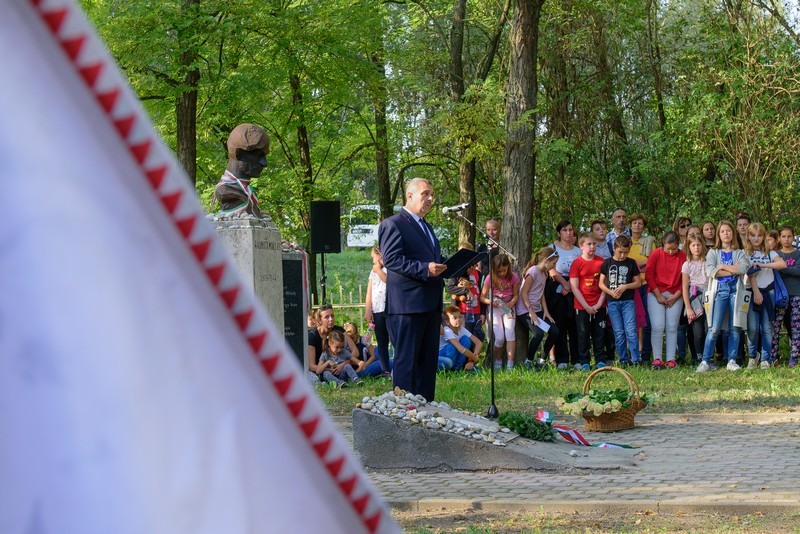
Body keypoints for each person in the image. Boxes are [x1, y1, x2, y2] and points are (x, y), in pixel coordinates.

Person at [378, 178, 446, 401]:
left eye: (432, 194)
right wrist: (425, 269)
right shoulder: (393, 224)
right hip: (408, 306)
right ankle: (404, 410)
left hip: (430, 304)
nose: (430, 198)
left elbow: (432, 260)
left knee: (428, 363)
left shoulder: (426, 226)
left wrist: (455, 267)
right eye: (425, 193)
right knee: (407, 362)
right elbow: (392, 260)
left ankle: (425, 408)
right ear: (410, 195)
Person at [697, 221, 750, 372]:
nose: (726, 234)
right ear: (719, 235)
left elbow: (743, 268)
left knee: (735, 326)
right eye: (722, 231)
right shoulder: (713, 253)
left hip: (735, 291)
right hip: (719, 290)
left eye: (728, 231)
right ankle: (705, 361)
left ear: (733, 233)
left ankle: (731, 360)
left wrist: (722, 267)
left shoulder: (739, 252)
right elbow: (711, 271)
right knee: (714, 327)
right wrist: (733, 270)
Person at [744, 222, 786, 369]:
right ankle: (752, 356)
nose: (756, 238)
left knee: (767, 327)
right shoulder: (745, 253)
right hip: (751, 292)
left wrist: (763, 265)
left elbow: (782, 264)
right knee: (753, 327)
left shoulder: (770, 253)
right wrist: (756, 292)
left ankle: (765, 359)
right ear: (748, 236)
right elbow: (750, 274)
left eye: (759, 235)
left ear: (763, 237)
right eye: (753, 235)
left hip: (769, 292)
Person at [599, 235, 642, 366]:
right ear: (614, 248)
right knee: (618, 332)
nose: (623, 255)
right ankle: (623, 359)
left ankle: (635, 359)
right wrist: (611, 292)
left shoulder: (631, 263)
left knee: (631, 331)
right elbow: (601, 283)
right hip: (612, 302)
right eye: (620, 252)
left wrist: (625, 286)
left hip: (628, 302)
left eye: (626, 252)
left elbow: (638, 282)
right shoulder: (607, 263)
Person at [646, 231, 687, 369]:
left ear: (678, 245)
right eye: (668, 248)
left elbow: (686, 279)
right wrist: (658, 295)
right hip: (656, 293)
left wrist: (676, 296)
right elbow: (649, 274)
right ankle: (657, 359)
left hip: (676, 294)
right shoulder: (656, 254)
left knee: (672, 327)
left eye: (674, 249)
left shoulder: (682, 256)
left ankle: (671, 359)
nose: (670, 252)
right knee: (657, 326)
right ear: (663, 244)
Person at [211, 123, 269, 218]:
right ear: (239, 153)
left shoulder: (247, 192)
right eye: (258, 155)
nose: (264, 163)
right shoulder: (226, 192)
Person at [517, 247, 561, 368]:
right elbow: (524, 293)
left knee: (554, 331)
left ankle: (542, 360)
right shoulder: (533, 271)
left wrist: (546, 311)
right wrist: (531, 311)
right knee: (538, 334)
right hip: (525, 311)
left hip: (537, 310)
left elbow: (541, 293)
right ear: (546, 260)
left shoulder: (545, 274)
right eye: (553, 263)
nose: (554, 266)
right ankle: (529, 360)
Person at [570, 233, 607, 370]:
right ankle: (584, 361)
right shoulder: (577, 263)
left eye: (594, 244)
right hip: (581, 306)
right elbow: (574, 287)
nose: (592, 247)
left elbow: (605, 285)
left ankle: (600, 360)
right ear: (581, 246)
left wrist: (599, 303)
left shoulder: (601, 262)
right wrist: (586, 306)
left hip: (599, 305)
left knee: (599, 334)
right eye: (589, 244)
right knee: (583, 334)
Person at [549, 220, 581, 367]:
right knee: (560, 323)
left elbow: (582, 270)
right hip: (558, 289)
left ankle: (577, 359)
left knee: (575, 325)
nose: (568, 233)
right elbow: (551, 269)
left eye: (570, 230)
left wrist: (571, 287)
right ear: (559, 233)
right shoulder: (553, 248)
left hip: (575, 289)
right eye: (564, 230)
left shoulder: (578, 251)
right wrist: (564, 284)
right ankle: (562, 359)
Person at [481, 254, 520, 370]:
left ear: (508, 267)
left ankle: (510, 363)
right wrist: (490, 302)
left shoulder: (514, 277)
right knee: (499, 337)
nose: (502, 273)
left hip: (508, 308)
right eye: (499, 271)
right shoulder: (490, 278)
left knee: (510, 333)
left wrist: (511, 303)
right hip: (495, 309)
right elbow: (482, 297)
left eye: (504, 270)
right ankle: (498, 360)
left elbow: (516, 295)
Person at [628, 213, 656, 363]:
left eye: (640, 223)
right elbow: (625, 264)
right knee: (632, 322)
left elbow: (652, 264)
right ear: (630, 225)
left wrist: (635, 266)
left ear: (644, 227)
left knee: (647, 322)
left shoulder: (649, 242)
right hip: (631, 286)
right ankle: (633, 355)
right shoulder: (626, 242)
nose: (637, 226)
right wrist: (640, 265)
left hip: (646, 285)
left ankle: (645, 355)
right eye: (635, 223)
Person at [307, 305, 358, 385]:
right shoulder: (312, 336)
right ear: (319, 320)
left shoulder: (340, 330)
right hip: (324, 373)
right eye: (326, 317)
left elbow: (355, 351)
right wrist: (329, 369)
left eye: (332, 316)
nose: (331, 319)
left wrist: (343, 364)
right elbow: (311, 366)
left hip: (344, 369)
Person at [772, 226, 800, 367]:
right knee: (776, 326)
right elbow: (773, 270)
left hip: (796, 293)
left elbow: (798, 271)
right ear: (779, 238)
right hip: (780, 296)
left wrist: (782, 268)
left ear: (793, 237)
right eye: (783, 236)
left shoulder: (798, 253)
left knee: (796, 326)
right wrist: (790, 270)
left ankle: (794, 357)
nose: (786, 239)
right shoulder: (776, 255)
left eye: (789, 236)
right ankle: (773, 357)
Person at [446, 243, 484, 342]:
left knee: (477, 336)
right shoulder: (457, 272)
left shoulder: (478, 274)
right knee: (464, 339)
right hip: (462, 312)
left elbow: (482, 293)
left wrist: (483, 313)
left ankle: (474, 352)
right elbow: (450, 288)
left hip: (477, 311)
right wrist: (466, 291)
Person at [363, 244, 391, 375]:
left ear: (380, 256)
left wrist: (379, 270)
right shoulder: (372, 272)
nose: (372, 260)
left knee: (395, 339)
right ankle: (385, 370)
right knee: (382, 341)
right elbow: (369, 292)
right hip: (377, 311)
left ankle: (398, 368)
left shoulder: (390, 269)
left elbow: (387, 280)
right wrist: (368, 310)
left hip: (390, 310)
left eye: (373, 257)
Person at [682, 235, 708, 365]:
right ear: (689, 247)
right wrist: (688, 307)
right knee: (698, 331)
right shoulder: (687, 265)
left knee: (709, 329)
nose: (696, 248)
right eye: (693, 245)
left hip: (708, 295)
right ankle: (699, 357)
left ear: (703, 246)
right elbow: (684, 287)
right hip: (694, 297)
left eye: (698, 245)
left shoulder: (708, 262)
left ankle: (708, 357)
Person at [437, 306, 483, 371]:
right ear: (447, 322)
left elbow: (479, 343)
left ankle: (457, 368)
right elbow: (461, 349)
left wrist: (472, 360)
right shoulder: (447, 330)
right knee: (452, 347)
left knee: (466, 340)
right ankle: (448, 368)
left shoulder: (462, 329)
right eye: (455, 318)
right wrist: (475, 358)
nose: (458, 319)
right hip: (442, 355)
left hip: (453, 357)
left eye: (460, 317)